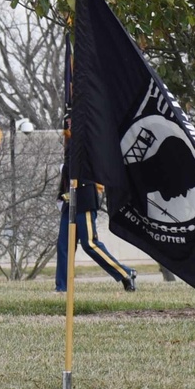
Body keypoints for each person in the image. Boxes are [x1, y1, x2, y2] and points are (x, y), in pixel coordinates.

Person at [54, 117, 137, 293]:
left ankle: (125, 273)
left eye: (71, 121)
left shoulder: (88, 141)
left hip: (84, 198)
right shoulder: (70, 145)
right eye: (67, 122)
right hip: (70, 200)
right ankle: (62, 287)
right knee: (63, 245)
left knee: (90, 244)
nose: (68, 125)